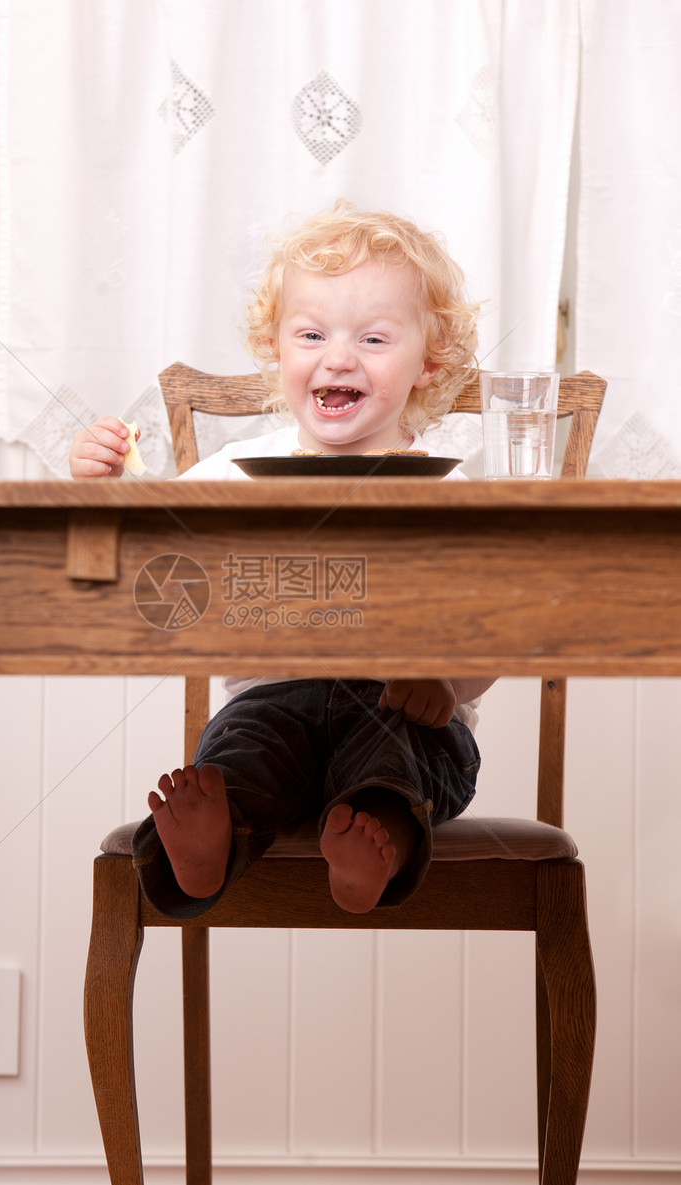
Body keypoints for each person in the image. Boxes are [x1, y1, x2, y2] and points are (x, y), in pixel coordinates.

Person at [70, 200, 496, 917]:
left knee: (399, 759)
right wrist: (100, 491)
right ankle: (211, 847)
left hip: (398, 702)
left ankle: (373, 844)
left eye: (373, 338)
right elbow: (156, 554)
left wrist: (447, 682)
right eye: (311, 334)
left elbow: (497, 617)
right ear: (277, 350)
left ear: (430, 363)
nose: (338, 357)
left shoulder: (446, 485)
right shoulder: (235, 472)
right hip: (272, 701)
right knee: (240, 752)